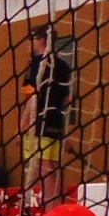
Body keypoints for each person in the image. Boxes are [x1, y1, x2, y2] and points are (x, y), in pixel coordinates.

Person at [22, 27, 74, 203]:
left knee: (42, 166)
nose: (29, 43)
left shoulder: (36, 64)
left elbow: (31, 96)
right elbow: (67, 98)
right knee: (55, 166)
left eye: (32, 39)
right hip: (57, 120)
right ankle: (63, 206)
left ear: (42, 40)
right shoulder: (63, 65)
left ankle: (51, 208)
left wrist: (23, 124)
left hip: (39, 120)